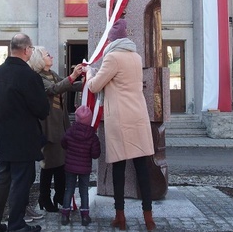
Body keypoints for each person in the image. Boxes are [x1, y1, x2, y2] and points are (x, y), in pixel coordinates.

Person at [86, 18, 156, 231]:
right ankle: (148, 218)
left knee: (118, 167)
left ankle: (120, 216)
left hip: (120, 119)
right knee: (142, 168)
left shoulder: (113, 57)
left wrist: (90, 72)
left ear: (111, 39)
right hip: (138, 117)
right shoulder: (135, 56)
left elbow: (95, 86)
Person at [0, 33, 50, 232]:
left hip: (2, 137)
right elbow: (42, 110)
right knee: (21, 181)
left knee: (2, 177)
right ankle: (16, 224)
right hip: (23, 138)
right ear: (26, 50)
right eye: (30, 49)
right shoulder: (29, 76)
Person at [26, 46, 83, 214]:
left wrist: (89, 82)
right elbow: (54, 89)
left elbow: (68, 85)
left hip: (61, 124)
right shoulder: (38, 77)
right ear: (39, 59)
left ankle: (59, 196)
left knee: (61, 164)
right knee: (49, 165)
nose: (51, 56)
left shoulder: (52, 74)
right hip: (48, 126)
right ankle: (44, 197)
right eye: (47, 54)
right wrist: (73, 77)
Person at [59, 105, 101, 226]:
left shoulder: (70, 131)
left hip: (70, 167)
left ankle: (65, 215)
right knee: (84, 191)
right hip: (85, 168)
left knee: (69, 190)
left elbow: (63, 143)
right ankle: (85, 216)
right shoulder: (92, 136)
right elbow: (95, 154)